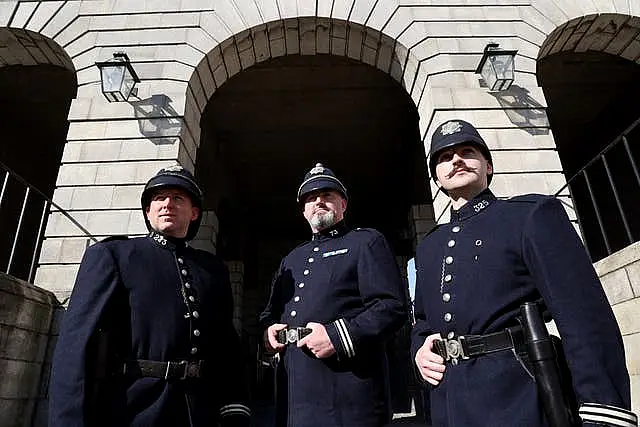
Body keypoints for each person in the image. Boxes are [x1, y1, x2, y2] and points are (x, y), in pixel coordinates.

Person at [411, 119, 637, 427]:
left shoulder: (530, 217)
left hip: (517, 396)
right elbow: (422, 322)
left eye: (467, 151)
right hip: (450, 404)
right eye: (445, 157)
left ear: (488, 167)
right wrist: (419, 351)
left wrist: (604, 412)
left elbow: (585, 320)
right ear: (437, 178)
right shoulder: (429, 247)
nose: (456, 160)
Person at [49, 165, 251, 427]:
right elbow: (75, 346)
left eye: (178, 198)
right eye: (159, 198)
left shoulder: (212, 270)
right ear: (147, 211)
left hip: (200, 412)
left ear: (194, 213)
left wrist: (234, 408)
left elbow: (225, 345)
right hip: (132, 409)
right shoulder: (116, 255)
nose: (167, 204)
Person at [260, 163, 408, 427]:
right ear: (304, 211)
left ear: (343, 204)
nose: (319, 201)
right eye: (311, 198)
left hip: (348, 397)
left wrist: (338, 337)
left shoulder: (365, 242)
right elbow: (269, 313)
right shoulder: (291, 259)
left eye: (327, 195)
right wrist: (267, 333)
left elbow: (391, 307)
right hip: (293, 398)